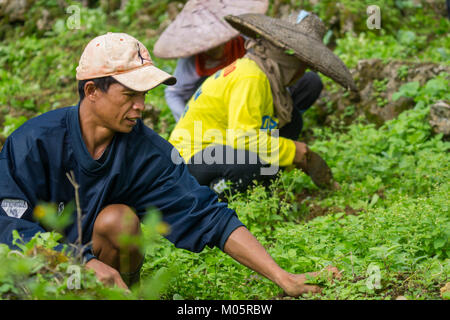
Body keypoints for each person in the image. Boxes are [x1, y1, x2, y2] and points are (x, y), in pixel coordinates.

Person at [0, 32, 339, 294]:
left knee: (120, 221)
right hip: (36, 276)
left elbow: (205, 213)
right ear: (92, 91)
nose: (140, 106)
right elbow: (6, 225)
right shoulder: (33, 143)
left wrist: (283, 276)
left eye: (144, 95)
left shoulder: (146, 150)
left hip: (106, 272)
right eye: (130, 95)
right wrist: (81, 263)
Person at [168, 11, 357, 196]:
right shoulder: (251, 77)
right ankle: (211, 195)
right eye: (303, 66)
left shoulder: (266, 78)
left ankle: (265, 185)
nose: (303, 73)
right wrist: (293, 151)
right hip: (190, 159)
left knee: (292, 122)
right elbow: (244, 138)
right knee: (248, 166)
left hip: (221, 147)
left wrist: (293, 154)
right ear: (290, 64)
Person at [153, 0, 268, 121]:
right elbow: (174, 93)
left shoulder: (245, 43)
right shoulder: (193, 59)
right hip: (215, 110)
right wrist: (187, 121)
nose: (213, 48)